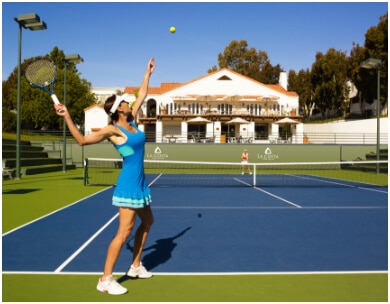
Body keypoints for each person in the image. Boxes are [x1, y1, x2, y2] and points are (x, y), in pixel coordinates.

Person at [54, 58, 156, 295]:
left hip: (140, 184)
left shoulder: (132, 121)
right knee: (124, 231)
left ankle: (135, 266)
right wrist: (67, 116)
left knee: (148, 221)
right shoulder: (113, 130)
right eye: (125, 102)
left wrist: (147, 73)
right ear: (119, 109)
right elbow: (81, 141)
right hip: (128, 185)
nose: (130, 103)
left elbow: (141, 94)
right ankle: (105, 279)